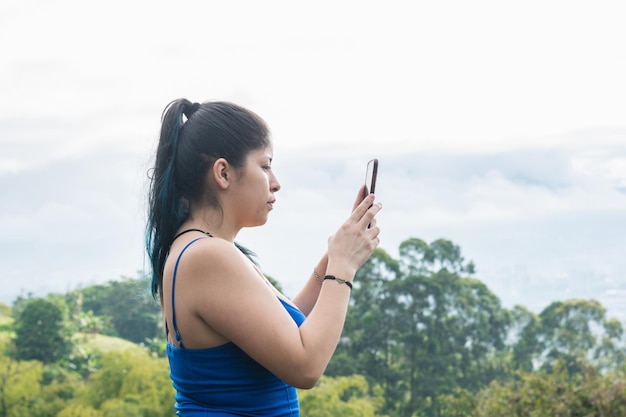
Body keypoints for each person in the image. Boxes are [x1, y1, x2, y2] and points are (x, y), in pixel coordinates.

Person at [146, 98, 382, 416]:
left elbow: (282, 328)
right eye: (265, 165)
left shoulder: (198, 248)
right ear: (223, 173)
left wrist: (335, 252)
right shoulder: (209, 257)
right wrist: (343, 268)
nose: (276, 182)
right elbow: (305, 366)